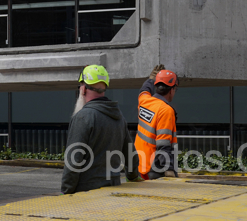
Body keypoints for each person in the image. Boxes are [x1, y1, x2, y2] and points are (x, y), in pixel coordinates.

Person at [61, 65, 135, 194]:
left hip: (86, 192)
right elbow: (130, 153)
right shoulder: (118, 116)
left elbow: (74, 159)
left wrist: (66, 191)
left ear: (83, 89)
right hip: (113, 188)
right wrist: (133, 176)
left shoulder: (83, 117)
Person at [136, 65, 178, 180]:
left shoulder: (144, 101)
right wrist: (169, 169)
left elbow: (144, 90)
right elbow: (163, 144)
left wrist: (150, 79)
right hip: (155, 168)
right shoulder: (166, 110)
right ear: (172, 89)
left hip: (140, 165)